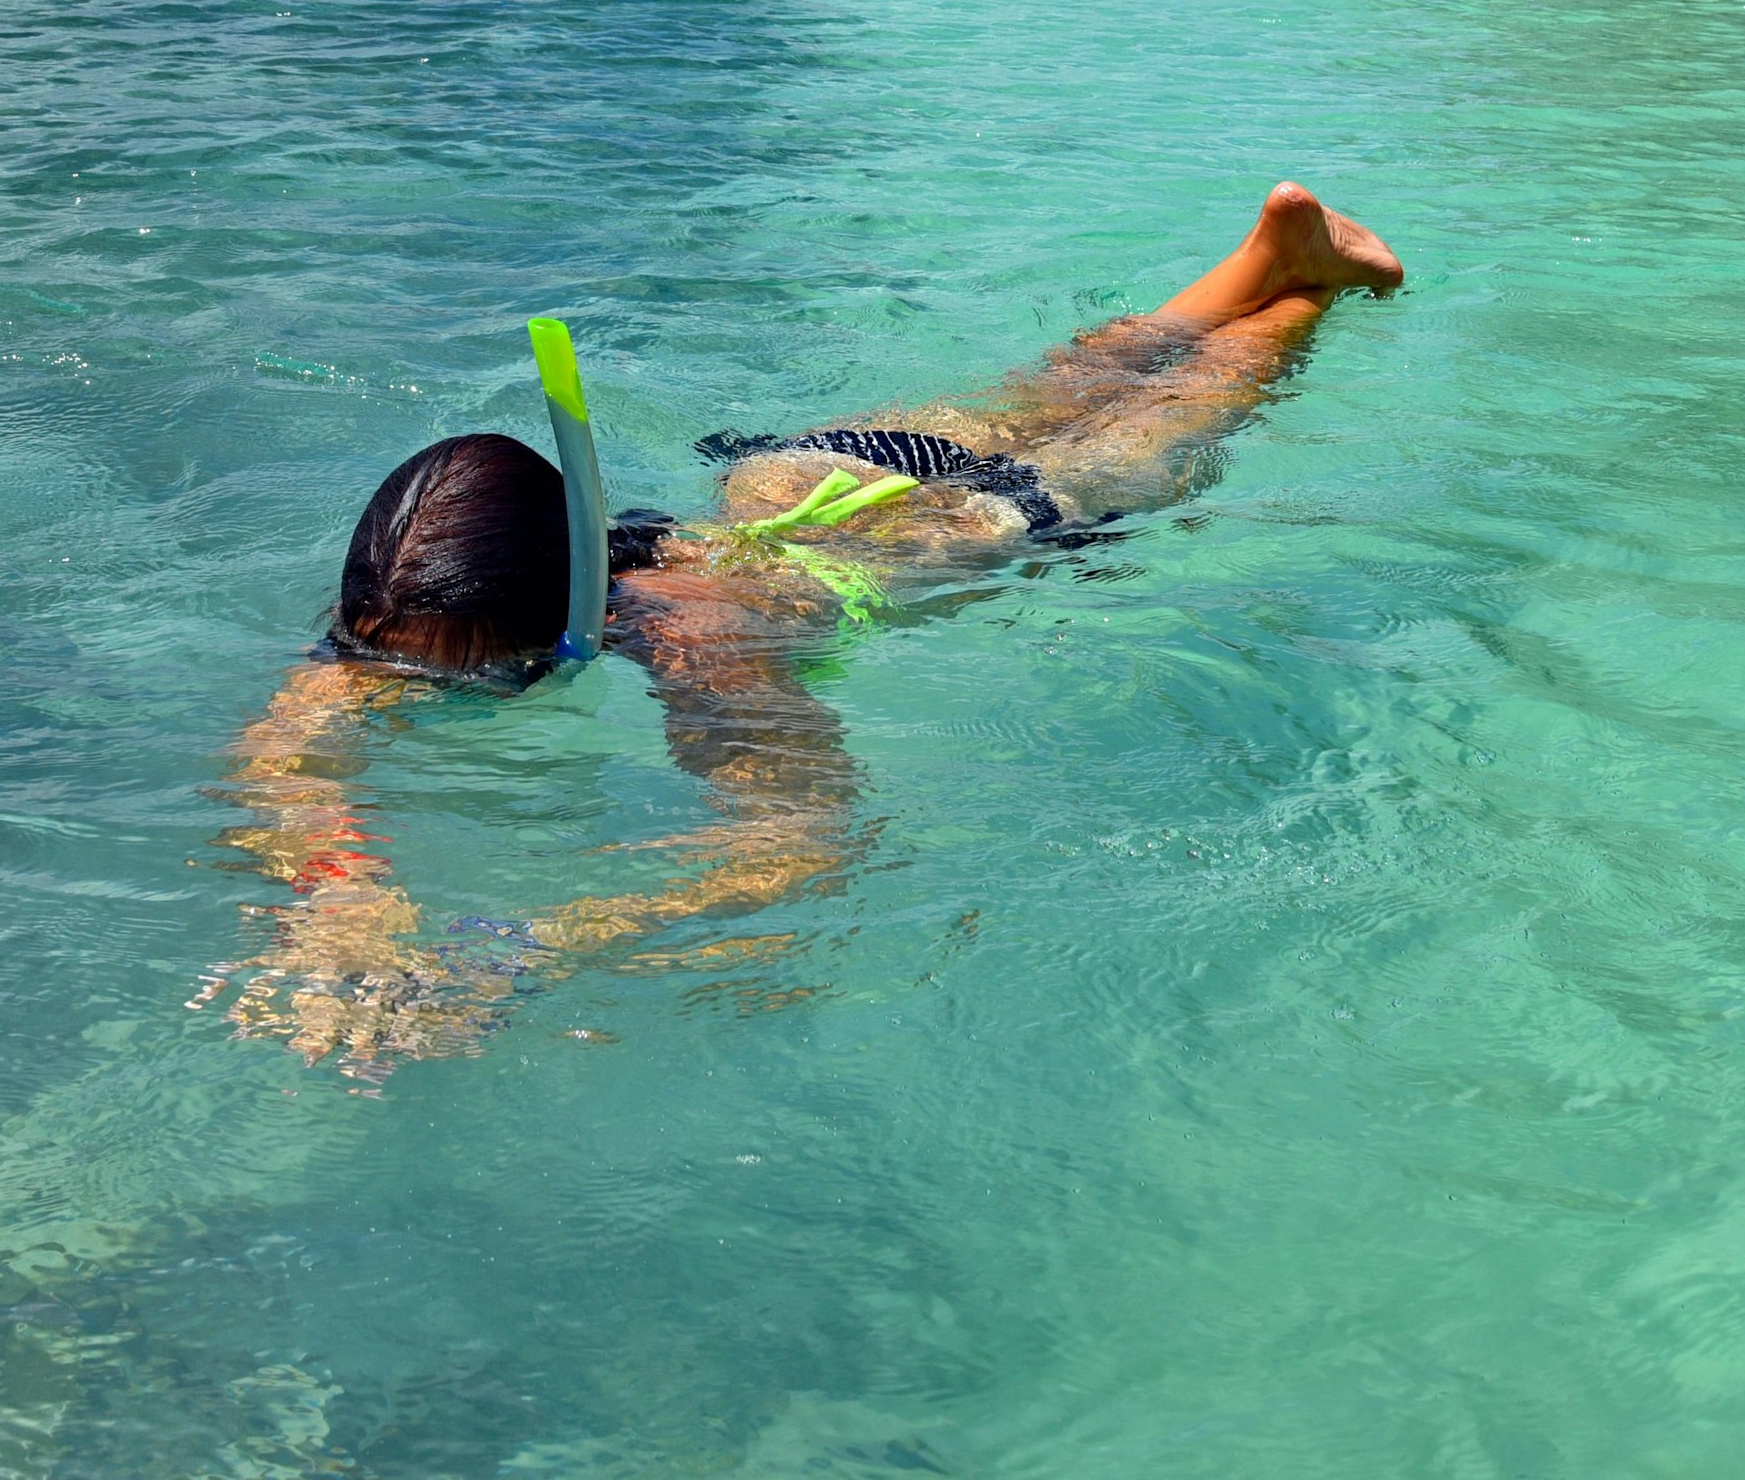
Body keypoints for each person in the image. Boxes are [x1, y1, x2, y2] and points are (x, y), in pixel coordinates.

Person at [202, 182, 1403, 1077]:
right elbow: (281, 756)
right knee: (1058, 380)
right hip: (807, 469)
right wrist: (341, 887)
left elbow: (808, 838)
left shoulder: (697, 641)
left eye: (487, 679)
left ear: (566, 614)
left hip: (976, 519)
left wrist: (539, 939)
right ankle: (1260, 250)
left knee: (1194, 404)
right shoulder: (409, 609)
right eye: (392, 661)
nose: (419, 683)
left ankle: (1299, 285)